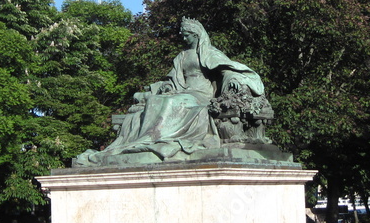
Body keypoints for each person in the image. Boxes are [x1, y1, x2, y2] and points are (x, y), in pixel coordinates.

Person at [73, 18, 265, 166]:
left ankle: (158, 137)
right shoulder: (181, 56)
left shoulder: (209, 54)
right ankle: (150, 138)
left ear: (196, 35)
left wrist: (234, 81)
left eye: (187, 35)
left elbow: (228, 71)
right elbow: (172, 80)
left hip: (201, 94)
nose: (184, 38)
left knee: (175, 102)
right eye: (183, 35)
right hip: (182, 91)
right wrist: (166, 87)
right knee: (156, 100)